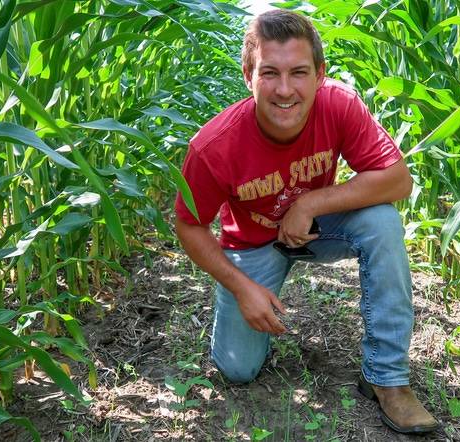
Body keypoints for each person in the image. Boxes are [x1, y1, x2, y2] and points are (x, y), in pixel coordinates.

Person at [173, 9, 438, 434]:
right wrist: (243, 289)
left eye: (298, 72)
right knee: (238, 370)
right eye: (269, 73)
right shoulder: (213, 148)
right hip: (253, 244)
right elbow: (189, 225)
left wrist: (311, 201)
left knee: (383, 222)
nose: (284, 89)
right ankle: (249, 308)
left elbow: (397, 179)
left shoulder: (338, 105)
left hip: (317, 229)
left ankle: (387, 378)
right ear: (248, 75)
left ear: (319, 74)